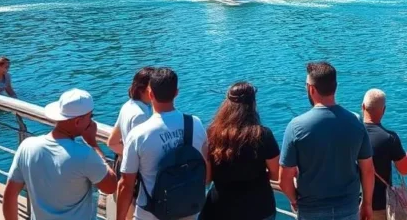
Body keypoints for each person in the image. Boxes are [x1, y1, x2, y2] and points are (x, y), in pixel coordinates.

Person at [2, 89, 117, 220]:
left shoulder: (27, 146)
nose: (92, 122)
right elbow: (111, 186)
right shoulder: (85, 155)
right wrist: (93, 144)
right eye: (90, 116)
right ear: (78, 122)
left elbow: (10, 195)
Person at [279, 61, 374, 220]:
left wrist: (294, 199)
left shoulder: (296, 127)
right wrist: (367, 204)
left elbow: (284, 178)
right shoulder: (356, 121)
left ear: (311, 88)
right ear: (335, 87)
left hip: (311, 210)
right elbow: (368, 169)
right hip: (348, 208)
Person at [116, 67, 209, 220]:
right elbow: (205, 167)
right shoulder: (195, 124)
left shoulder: (139, 135)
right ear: (176, 93)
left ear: (150, 93)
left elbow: (126, 185)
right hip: (188, 211)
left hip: (150, 215)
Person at [202, 82, 280, 220]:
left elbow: (207, 178)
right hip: (259, 209)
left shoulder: (211, 135)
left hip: (219, 210)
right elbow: (276, 174)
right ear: (253, 104)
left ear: (226, 104)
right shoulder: (263, 135)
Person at [362, 89, 407, 220]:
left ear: (363, 107)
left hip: (354, 203)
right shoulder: (390, 138)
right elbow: (405, 170)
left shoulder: (351, 135)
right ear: (384, 110)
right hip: (380, 205)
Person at [108, 67, 155, 156]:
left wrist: (126, 157)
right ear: (142, 90)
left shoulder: (126, 106)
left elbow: (112, 143)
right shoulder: (140, 115)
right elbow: (143, 153)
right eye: (154, 88)